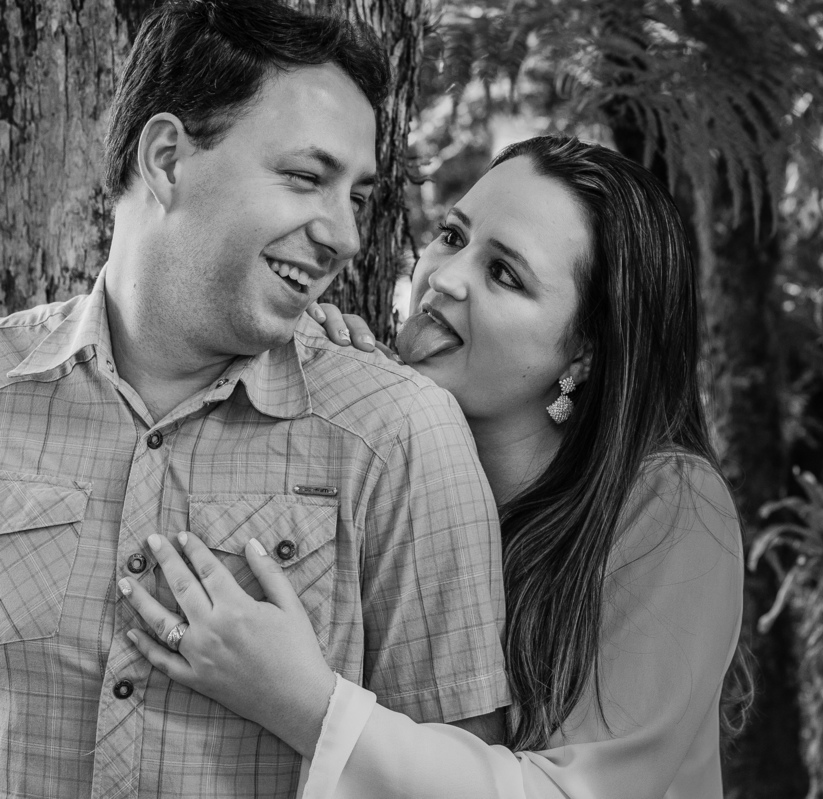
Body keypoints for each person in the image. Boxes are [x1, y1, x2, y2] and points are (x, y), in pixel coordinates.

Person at [119, 135, 749, 799]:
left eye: (504, 274)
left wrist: (306, 704)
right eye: (452, 235)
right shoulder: (391, 454)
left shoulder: (670, 503)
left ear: (587, 350)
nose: (443, 275)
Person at [0, 2, 509, 796]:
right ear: (168, 158)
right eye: (307, 178)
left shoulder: (396, 436)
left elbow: (463, 784)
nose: (345, 235)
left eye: (359, 197)